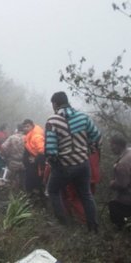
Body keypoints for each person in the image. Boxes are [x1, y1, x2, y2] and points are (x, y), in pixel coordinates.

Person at [45, 91, 101, 232]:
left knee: (53, 190)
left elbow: (51, 150)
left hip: (65, 166)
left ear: (55, 104)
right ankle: (93, 227)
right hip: (83, 163)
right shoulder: (83, 117)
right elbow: (97, 136)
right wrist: (88, 150)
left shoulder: (53, 121)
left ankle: (63, 225)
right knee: (86, 194)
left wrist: (55, 165)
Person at [108, 134, 131, 230]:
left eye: (112, 145)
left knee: (113, 205)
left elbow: (122, 184)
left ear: (118, 145)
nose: (111, 148)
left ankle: (121, 228)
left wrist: (112, 183)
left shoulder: (122, 164)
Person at [22, 118, 46, 196]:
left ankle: (37, 201)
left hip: (36, 166)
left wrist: (36, 159)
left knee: (36, 185)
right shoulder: (29, 136)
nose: (26, 128)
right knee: (30, 184)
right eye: (24, 127)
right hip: (30, 166)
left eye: (27, 126)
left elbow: (42, 151)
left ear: (32, 126)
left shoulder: (36, 136)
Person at [0, 124, 25, 189]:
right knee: (21, 180)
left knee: (10, 180)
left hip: (12, 162)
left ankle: (10, 194)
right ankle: (21, 194)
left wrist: (5, 155)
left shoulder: (12, 137)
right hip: (23, 163)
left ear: (17, 129)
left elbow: (3, 147)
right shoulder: (27, 137)